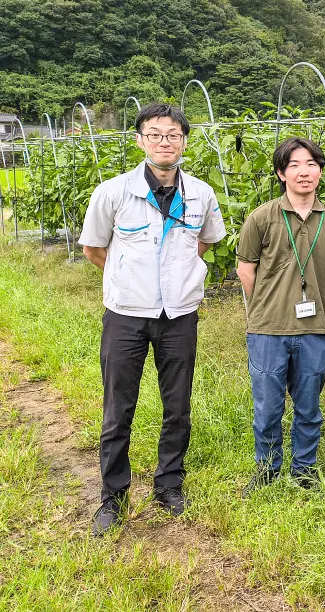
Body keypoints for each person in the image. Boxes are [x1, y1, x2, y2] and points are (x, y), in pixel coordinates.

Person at [79, 103, 227, 536]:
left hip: (179, 316)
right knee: (118, 408)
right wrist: (130, 282)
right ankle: (113, 497)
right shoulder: (113, 192)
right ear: (140, 140)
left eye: (174, 135)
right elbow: (94, 250)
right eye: (156, 134)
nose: (166, 142)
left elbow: (204, 242)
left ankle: (169, 485)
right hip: (125, 315)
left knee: (177, 406)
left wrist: (177, 279)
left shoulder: (201, 193)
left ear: (184, 141)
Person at [236, 137, 325, 494]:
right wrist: (270, 304)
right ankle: (267, 470)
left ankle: (304, 471)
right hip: (268, 330)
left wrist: (307, 293)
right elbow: (245, 269)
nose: (304, 171)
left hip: (314, 328)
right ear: (282, 173)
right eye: (295, 165)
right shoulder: (262, 217)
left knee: (309, 407)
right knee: (267, 408)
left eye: (312, 164)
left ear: (320, 172)